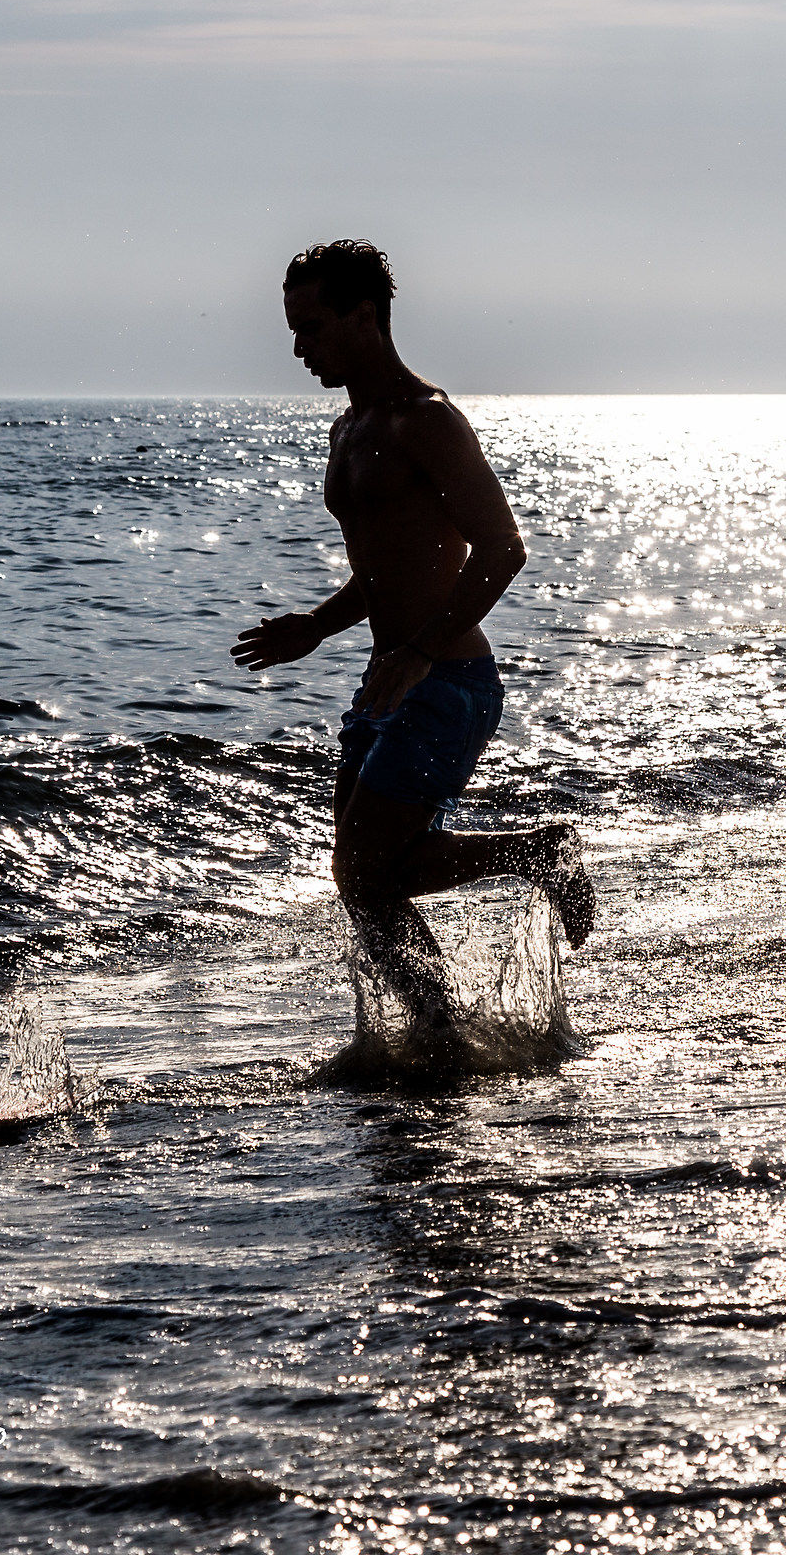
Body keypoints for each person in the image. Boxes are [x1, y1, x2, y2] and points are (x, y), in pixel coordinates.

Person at [230, 240, 595, 1040]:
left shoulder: (427, 422)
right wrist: (315, 630)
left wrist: (423, 649)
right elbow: (390, 568)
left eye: (313, 326)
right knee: (361, 883)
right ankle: (440, 1029)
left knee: (364, 869)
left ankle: (539, 852)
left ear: (366, 316)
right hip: (389, 680)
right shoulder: (346, 429)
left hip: (446, 680)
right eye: (293, 330)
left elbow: (502, 548)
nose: (299, 348)